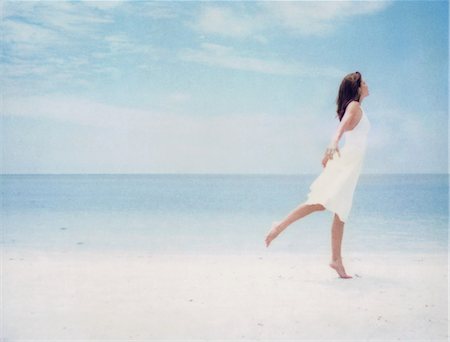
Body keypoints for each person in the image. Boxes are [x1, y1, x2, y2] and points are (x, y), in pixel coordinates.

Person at [264, 71, 371, 279]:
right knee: (320, 203)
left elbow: (348, 128)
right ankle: (279, 226)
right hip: (346, 164)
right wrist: (332, 143)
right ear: (357, 88)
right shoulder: (354, 106)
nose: (367, 85)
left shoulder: (358, 108)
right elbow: (342, 126)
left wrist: (328, 153)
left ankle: (336, 260)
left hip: (349, 164)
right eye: (364, 83)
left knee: (341, 210)